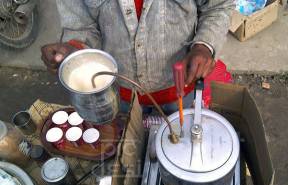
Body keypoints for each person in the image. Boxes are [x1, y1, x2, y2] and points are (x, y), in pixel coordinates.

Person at [41, 0, 235, 114]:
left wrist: (204, 45)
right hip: (118, 96)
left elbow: (218, 6)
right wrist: (74, 50)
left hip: (180, 91)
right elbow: (81, 26)